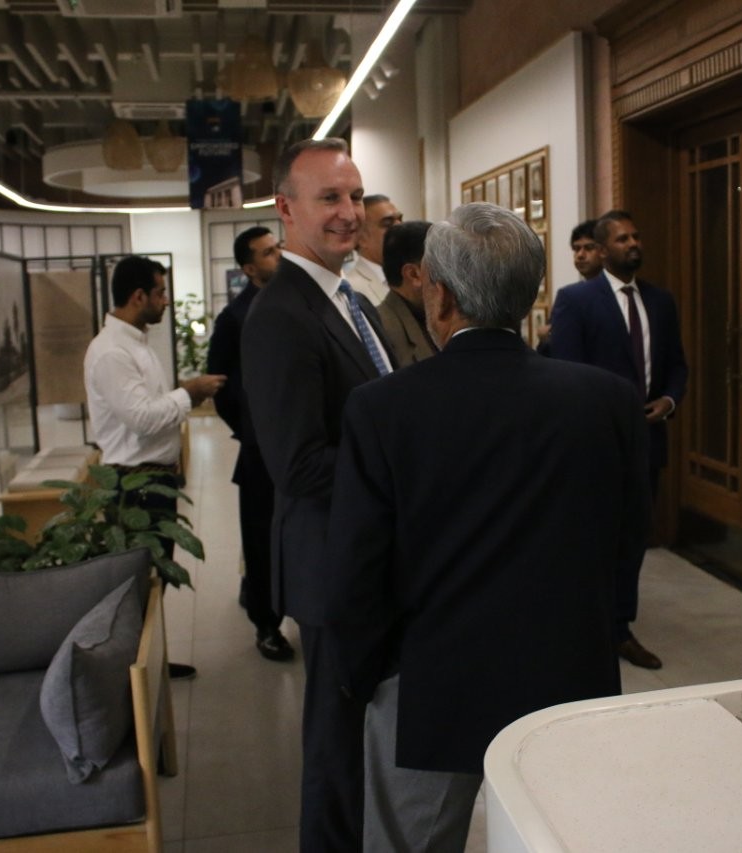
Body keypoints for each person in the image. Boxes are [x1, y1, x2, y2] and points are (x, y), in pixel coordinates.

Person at [324, 202, 648, 852]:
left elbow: (358, 569)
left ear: (439, 296)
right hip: (568, 676)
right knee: (555, 839)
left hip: (431, 682)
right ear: (529, 295)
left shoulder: (383, 408)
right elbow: (627, 535)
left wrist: (360, 676)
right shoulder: (607, 399)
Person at [241, 137, 396, 852]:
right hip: (333, 562)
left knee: (363, 735)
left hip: (366, 555)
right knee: (336, 745)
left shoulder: (346, 296)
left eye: (355, 196)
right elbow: (299, 465)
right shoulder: (283, 313)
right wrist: (405, 467)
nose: (349, 212)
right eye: (330, 197)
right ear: (286, 208)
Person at [550, 209, 687, 671]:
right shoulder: (576, 300)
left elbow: (677, 365)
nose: (633, 244)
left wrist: (669, 400)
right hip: (596, 442)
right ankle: (584, 625)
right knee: (592, 538)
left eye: (636, 236)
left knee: (633, 538)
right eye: (623, 239)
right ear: (603, 249)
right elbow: (567, 373)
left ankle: (620, 627)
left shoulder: (660, 301)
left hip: (648, 441)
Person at [83, 256, 225, 679]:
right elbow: (142, 418)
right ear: (138, 296)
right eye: (160, 293)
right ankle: (133, 676)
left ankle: (149, 665)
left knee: (153, 578)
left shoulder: (135, 343)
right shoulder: (112, 352)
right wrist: (190, 393)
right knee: (138, 581)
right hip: (134, 483)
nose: (166, 301)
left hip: (153, 478)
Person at [205, 226, 294, 662]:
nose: (278, 255)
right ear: (249, 268)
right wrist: (249, 429)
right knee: (260, 537)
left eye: (278, 247)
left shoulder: (294, 303)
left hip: (297, 442)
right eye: (268, 252)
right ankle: (266, 624)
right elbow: (220, 385)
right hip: (260, 451)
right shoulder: (234, 318)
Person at [377, 220, 438, 367]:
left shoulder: (437, 314)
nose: (453, 274)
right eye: (443, 265)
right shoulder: (382, 330)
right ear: (413, 274)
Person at [345, 194, 403, 306]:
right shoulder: (352, 288)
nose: (401, 228)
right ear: (361, 238)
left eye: (400, 220)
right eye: (388, 224)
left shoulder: (410, 277)